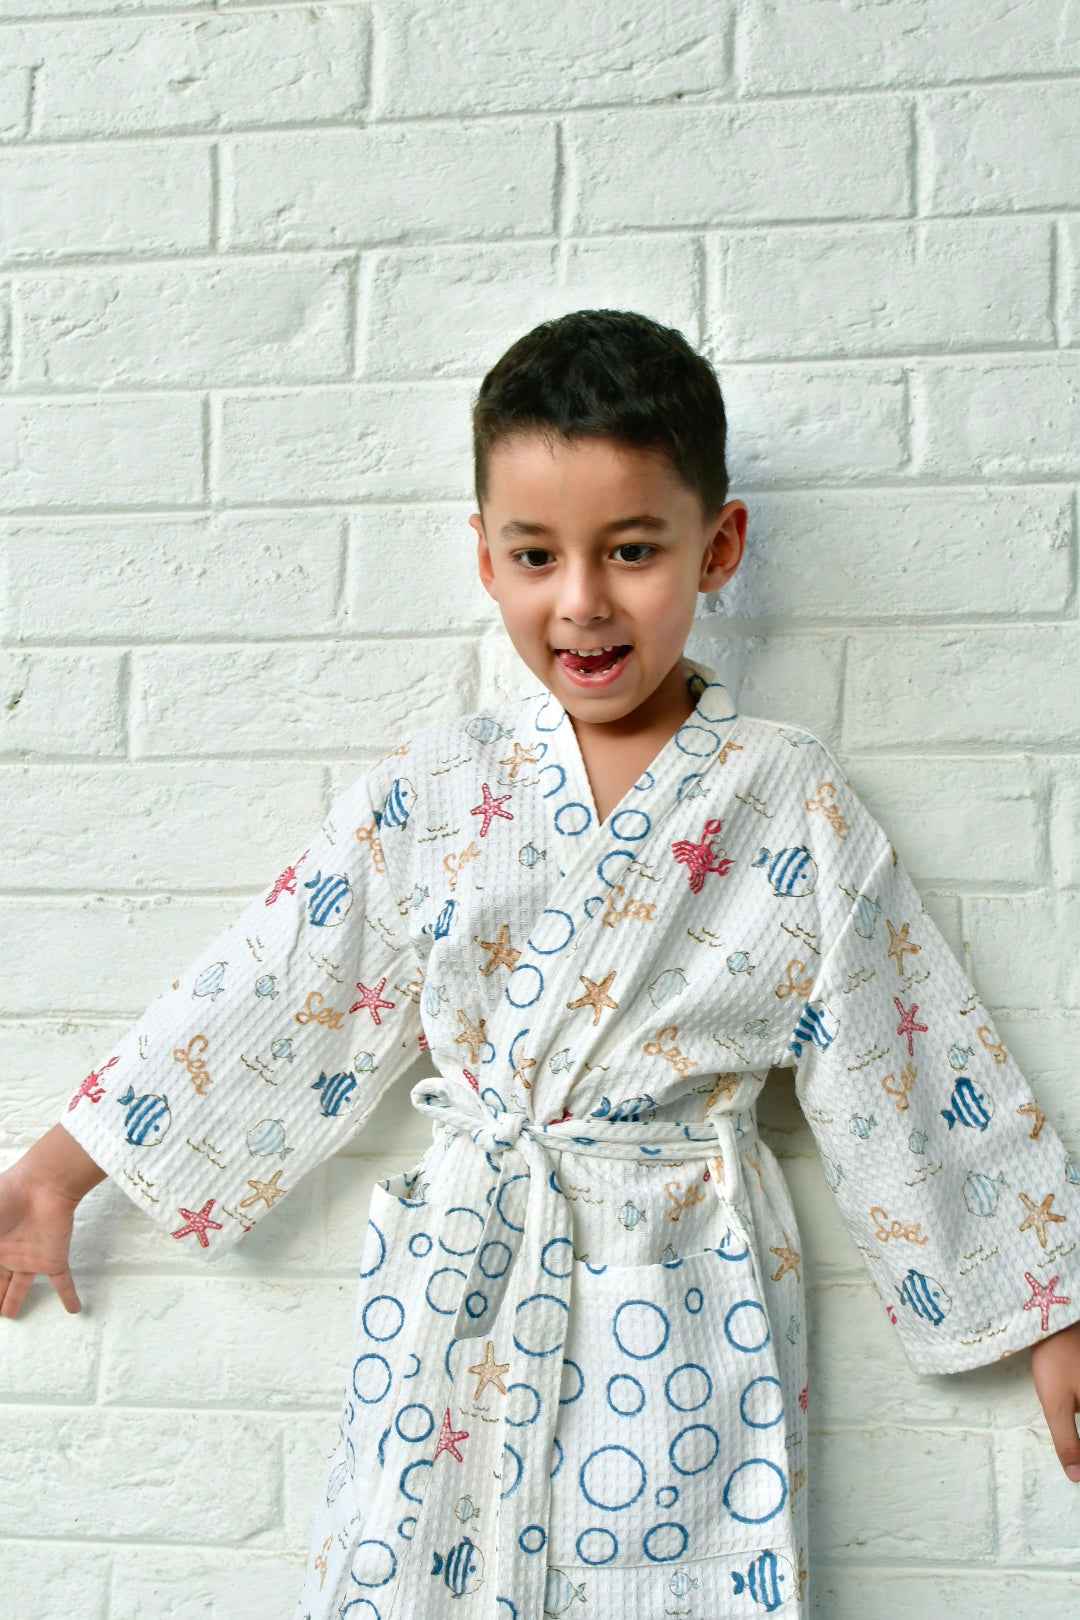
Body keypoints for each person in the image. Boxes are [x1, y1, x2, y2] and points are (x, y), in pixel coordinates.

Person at [3, 308, 1079, 1619]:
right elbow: (287, 979)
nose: (582, 601)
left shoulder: (784, 798)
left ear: (717, 547)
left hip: (681, 1277)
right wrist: (61, 1167)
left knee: (670, 1579)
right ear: (485, 557)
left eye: (631, 550)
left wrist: (1045, 1307)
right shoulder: (445, 787)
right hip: (464, 1269)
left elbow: (900, 1043)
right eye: (535, 555)